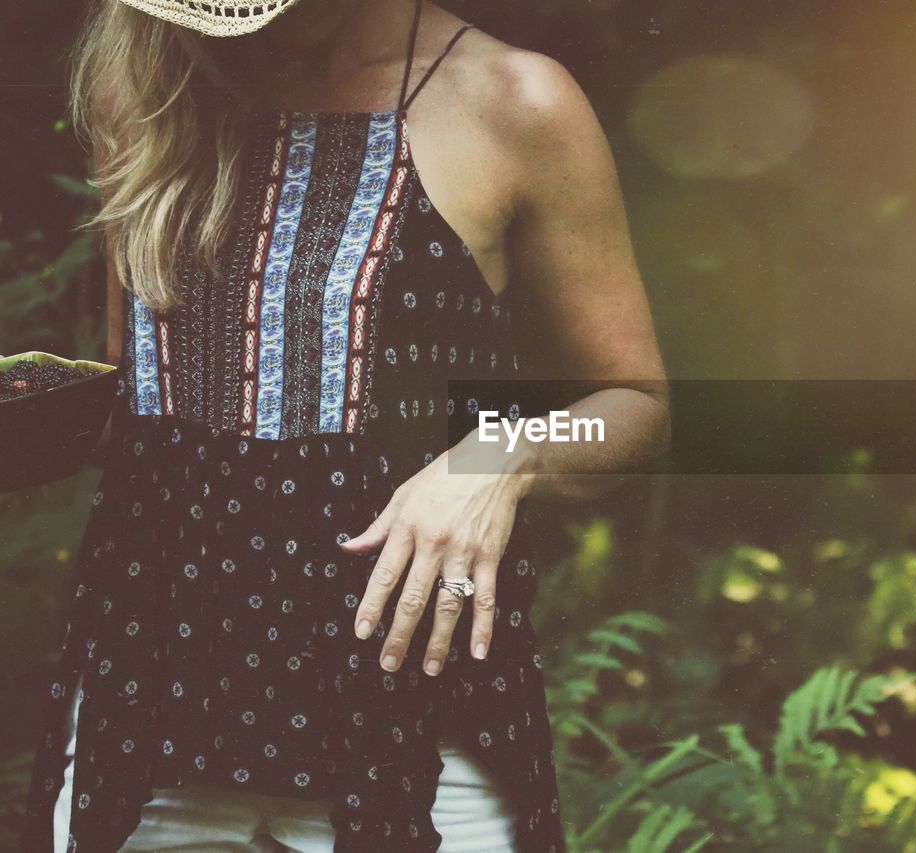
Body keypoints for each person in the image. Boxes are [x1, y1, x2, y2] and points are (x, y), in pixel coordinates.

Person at [20, 0, 670, 850]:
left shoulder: (514, 100)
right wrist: (39, 424)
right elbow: (148, 400)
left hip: (406, 690)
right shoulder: (144, 85)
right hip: (154, 677)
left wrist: (500, 455)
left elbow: (638, 407)